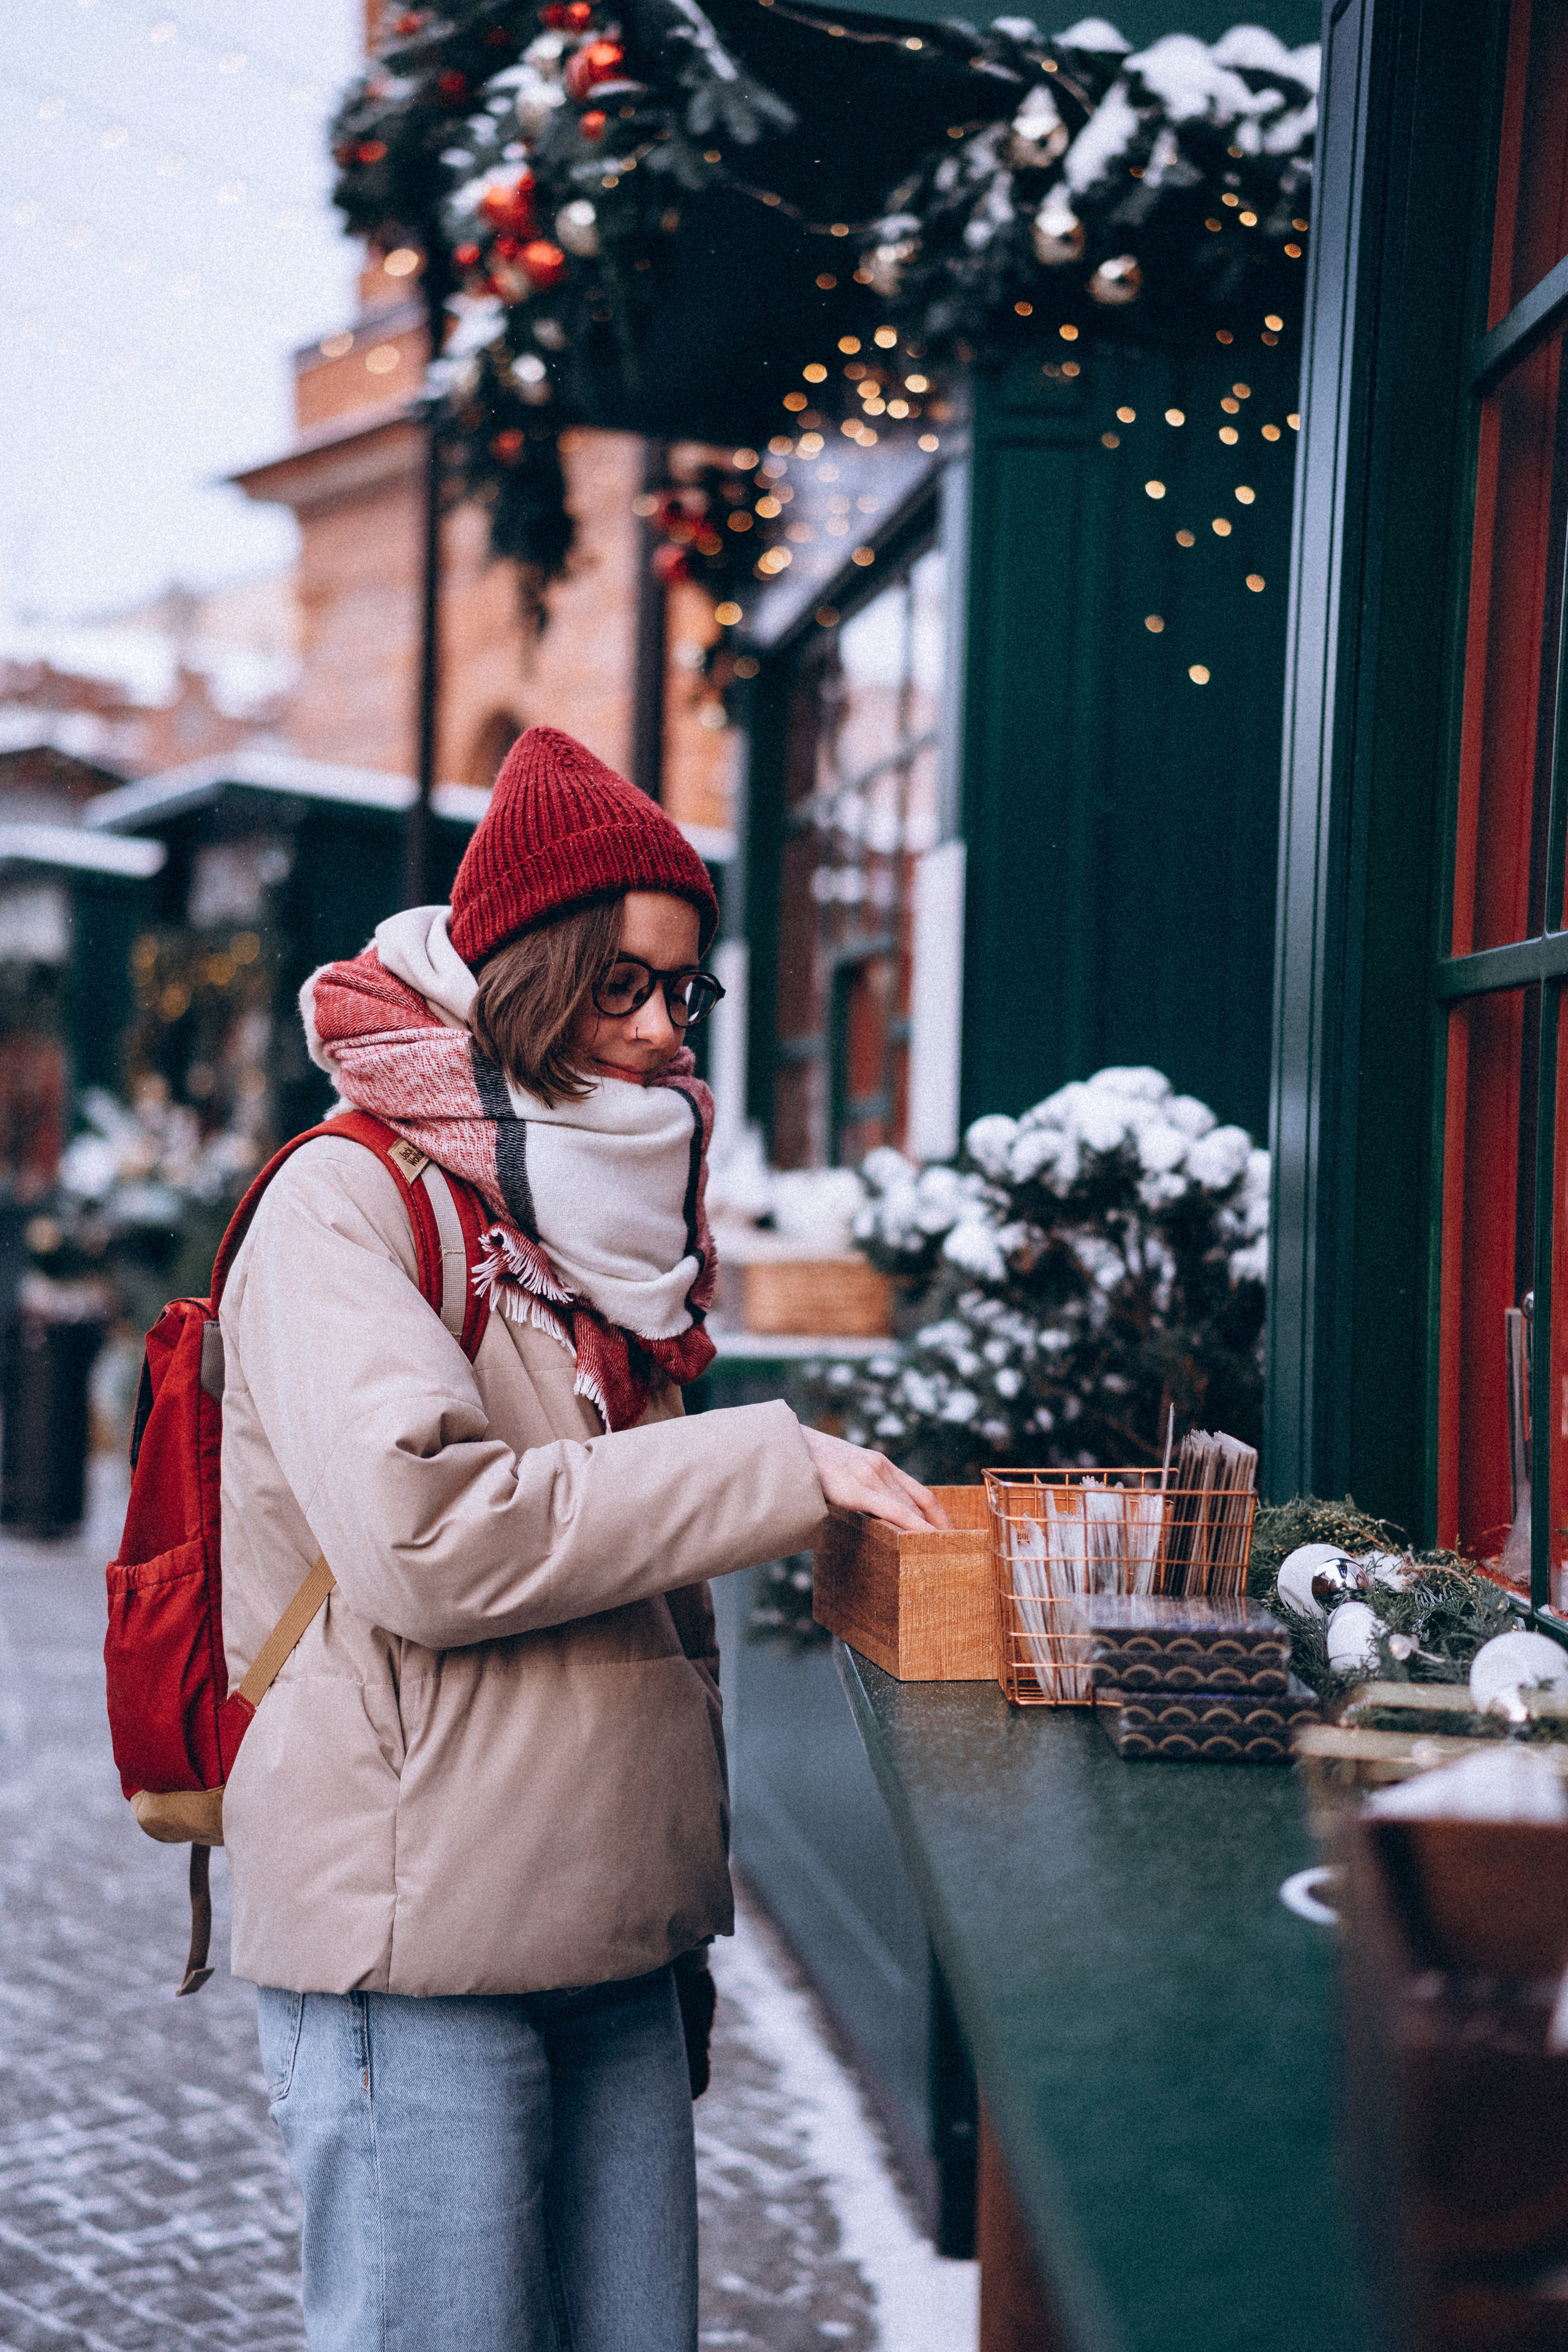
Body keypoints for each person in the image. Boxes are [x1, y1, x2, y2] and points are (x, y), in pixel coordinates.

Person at [217, 724, 948, 2352]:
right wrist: (779, 1467)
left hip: (609, 1908)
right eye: (620, 986)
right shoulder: (348, 1203)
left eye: (685, 992)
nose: (660, 1033)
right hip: (414, 1933)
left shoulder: (601, 1220)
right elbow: (431, 1537)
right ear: (521, 974)